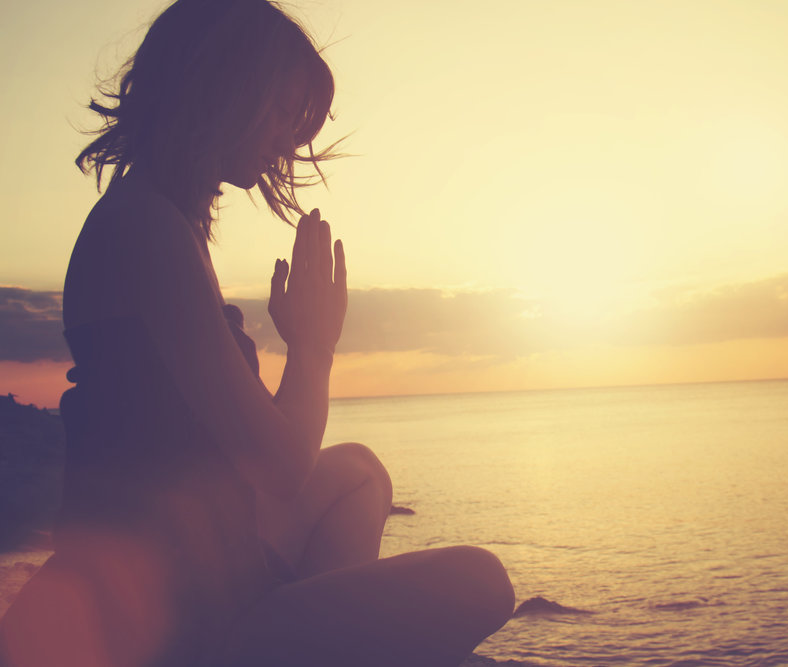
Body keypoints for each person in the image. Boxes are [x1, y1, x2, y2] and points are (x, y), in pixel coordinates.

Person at [0, 1, 514, 665]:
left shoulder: (161, 218)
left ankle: (314, 642)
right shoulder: (147, 230)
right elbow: (278, 466)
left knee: (359, 472)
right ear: (222, 87)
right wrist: (312, 345)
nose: (290, 139)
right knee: (483, 580)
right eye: (281, 109)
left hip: (202, 553)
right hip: (179, 610)